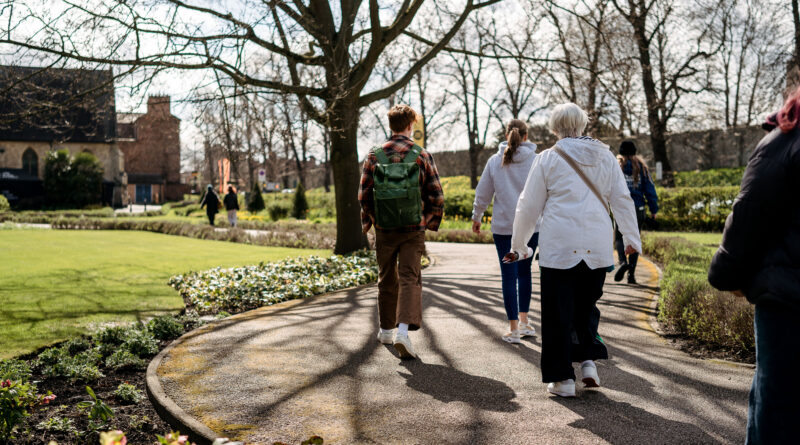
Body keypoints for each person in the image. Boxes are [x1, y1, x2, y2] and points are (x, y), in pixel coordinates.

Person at [504, 103, 641, 398]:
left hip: (559, 244)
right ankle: (589, 363)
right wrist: (631, 238)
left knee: (557, 312)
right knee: (586, 307)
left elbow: (528, 206)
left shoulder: (547, 159)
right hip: (597, 243)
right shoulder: (605, 157)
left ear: (555, 128)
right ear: (582, 125)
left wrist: (519, 245)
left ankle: (563, 380)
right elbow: (622, 199)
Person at [708, 86, 800, 445]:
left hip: (789, 300)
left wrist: (726, 274)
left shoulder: (786, 142)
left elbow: (749, 214)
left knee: (775, 411)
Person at [359, 104, 444, 360]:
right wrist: (425, 221)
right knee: (409, 277)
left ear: (390, 125)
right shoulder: (422, 154)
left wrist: (374, 221)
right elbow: (437, 196)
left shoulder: (374, 155)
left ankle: (385, 330)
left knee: (386, 278)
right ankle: (403, 332)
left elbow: (363, 196)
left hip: (385, 229)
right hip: (412, 229)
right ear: (411, 125)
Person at [472, 119, 540, 344]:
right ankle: (525, 322)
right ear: (526, 136)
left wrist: (477, 217)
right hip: (531, 226)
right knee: (525, 272)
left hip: (503, 228)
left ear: (506, 134)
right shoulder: (536, 160)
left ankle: (513, 329)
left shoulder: (495, 160)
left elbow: (483, 192)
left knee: (508, 275)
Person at [613, 141, 658, 284]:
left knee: (619, 238)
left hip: (620, 208)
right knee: (634, 240)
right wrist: (653, 209)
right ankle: (631, 274)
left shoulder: (616, 166)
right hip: (638, 209)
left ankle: (622, 263)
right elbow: (650, 189)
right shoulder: (642, 167)